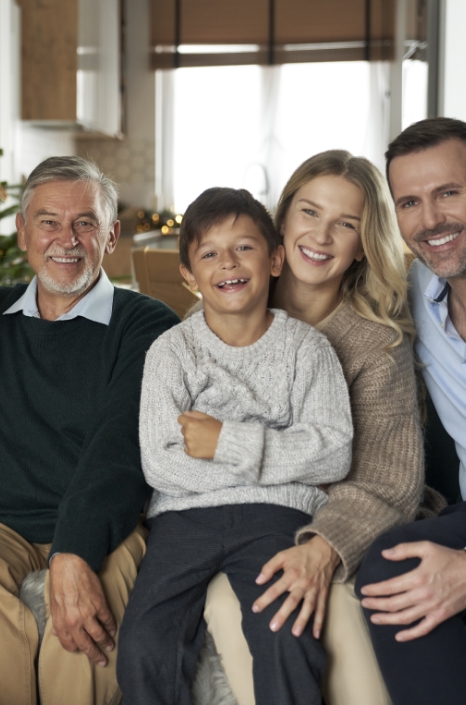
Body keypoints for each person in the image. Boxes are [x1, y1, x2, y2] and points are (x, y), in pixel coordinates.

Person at [0, 156, 179, 705]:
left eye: (85, 223)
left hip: (108, 528)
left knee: (90, 615)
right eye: (48, 221)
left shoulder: (148, 324)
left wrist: (74, 551)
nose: (66, 239)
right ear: (22, 231)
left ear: (111, 236)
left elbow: (122, 446)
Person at [203, 151, 426, 705]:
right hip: (236, 525)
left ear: (362, 244)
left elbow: (388, 480)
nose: (321, 235)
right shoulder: (216, 317)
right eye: (309, 212)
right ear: (282, 221)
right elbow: (194, 446)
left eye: (345, 224)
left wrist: (325, 547)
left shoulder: (376, 344)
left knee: (338, 609)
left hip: (339, 525)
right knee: (235, 601)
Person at [117, 187, 353, 705]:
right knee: (142, 643)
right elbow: (161, 464)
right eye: (208, 253)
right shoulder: (170, 352)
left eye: (244, 248)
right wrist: (281, 461)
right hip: (183, 520)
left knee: (286, 634)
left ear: (275, 259)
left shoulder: (308, 350)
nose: (228, 263)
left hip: (276, 517)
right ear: (188, 274)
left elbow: (333, 451)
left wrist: (226, 442)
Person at [356, 117, 466, 705]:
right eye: (410, 203)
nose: (431, 221)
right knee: (392, 565)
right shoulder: (413, 298)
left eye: (449, 192)